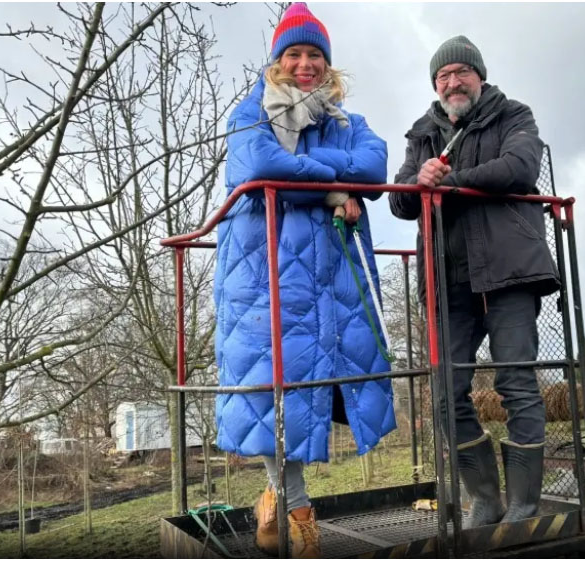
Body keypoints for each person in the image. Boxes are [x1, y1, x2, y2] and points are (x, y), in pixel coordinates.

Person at [213, 2, 395, 558]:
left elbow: (375, 166)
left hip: (332, 271)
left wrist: (328, 181)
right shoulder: (249, 112)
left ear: (328, 62)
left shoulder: (348, 121)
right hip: (263, 268)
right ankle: (297, 508)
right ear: (277, 60)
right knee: (270, 382)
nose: (305, 64)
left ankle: (275, 501)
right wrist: (338, 188)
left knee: (315, 381)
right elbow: (262, 167)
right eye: (294, 53)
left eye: (315, 54)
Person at [389, 35, 560, 528]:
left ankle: (524, 504)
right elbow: (400, 202)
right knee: (445, 394)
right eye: (443, 76)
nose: (452, 81)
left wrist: (452, 183)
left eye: (461, 72)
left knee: (517, 385)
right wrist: (417, 180)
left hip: (510, 275)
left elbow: (521, 168)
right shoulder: (422, 133)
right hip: (448, 280)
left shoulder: (514, 115)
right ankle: (485, 498)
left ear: (479, 77)